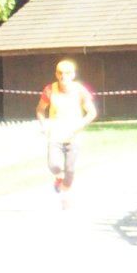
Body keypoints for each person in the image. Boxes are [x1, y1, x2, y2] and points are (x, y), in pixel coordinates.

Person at [36, 59, 96, 208]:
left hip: (73, 136)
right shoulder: (50, 89)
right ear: (56, 74)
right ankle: (59, 177)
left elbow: (92, 112)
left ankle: (65, 194)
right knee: (54, 165)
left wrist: (81, 124)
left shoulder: (80, 90)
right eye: (60, 73)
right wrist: (43, 124)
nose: (63, 76)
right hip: (55, 134)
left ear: (73, 74)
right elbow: (40, 110)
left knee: (70, 169)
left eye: (67, 73)